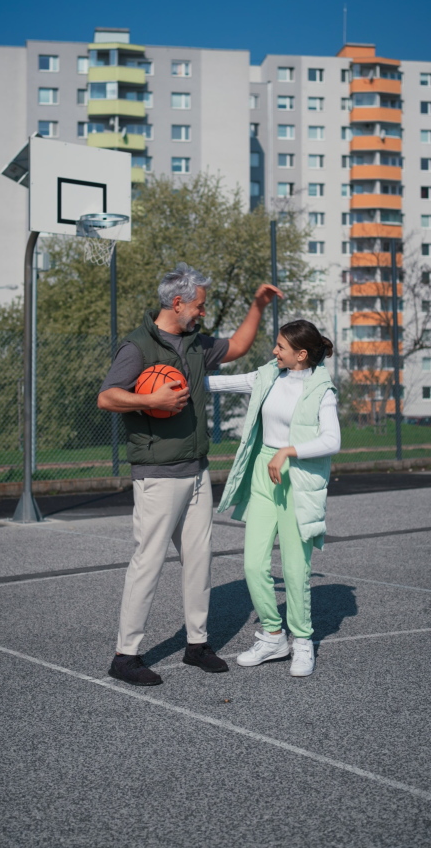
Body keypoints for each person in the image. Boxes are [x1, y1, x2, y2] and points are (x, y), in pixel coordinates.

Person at [97, 263, 282, 686]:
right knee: (148, 562)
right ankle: (126, 655)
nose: (202, 312)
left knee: (200, 559)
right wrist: (149, 398)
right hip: (158, 473)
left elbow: (236, 346)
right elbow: (107, 397)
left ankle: (197, 644)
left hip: (197, 470)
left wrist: (257, 305)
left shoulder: (196, 343)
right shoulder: (138, 346)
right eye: (198, 305)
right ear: (177, 302)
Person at [206, 319, 340, 678]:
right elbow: (220, 383)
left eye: (280, 347)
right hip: (264, 474)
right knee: (253, 564)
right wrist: (177, 379)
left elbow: (332, 441)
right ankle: (272, 635)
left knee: (296, 571)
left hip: (296, 478)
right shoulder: (269, 376)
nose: (273, 351)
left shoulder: (321, 390)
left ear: (301, 354)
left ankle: (302, 641)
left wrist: (288, 452)